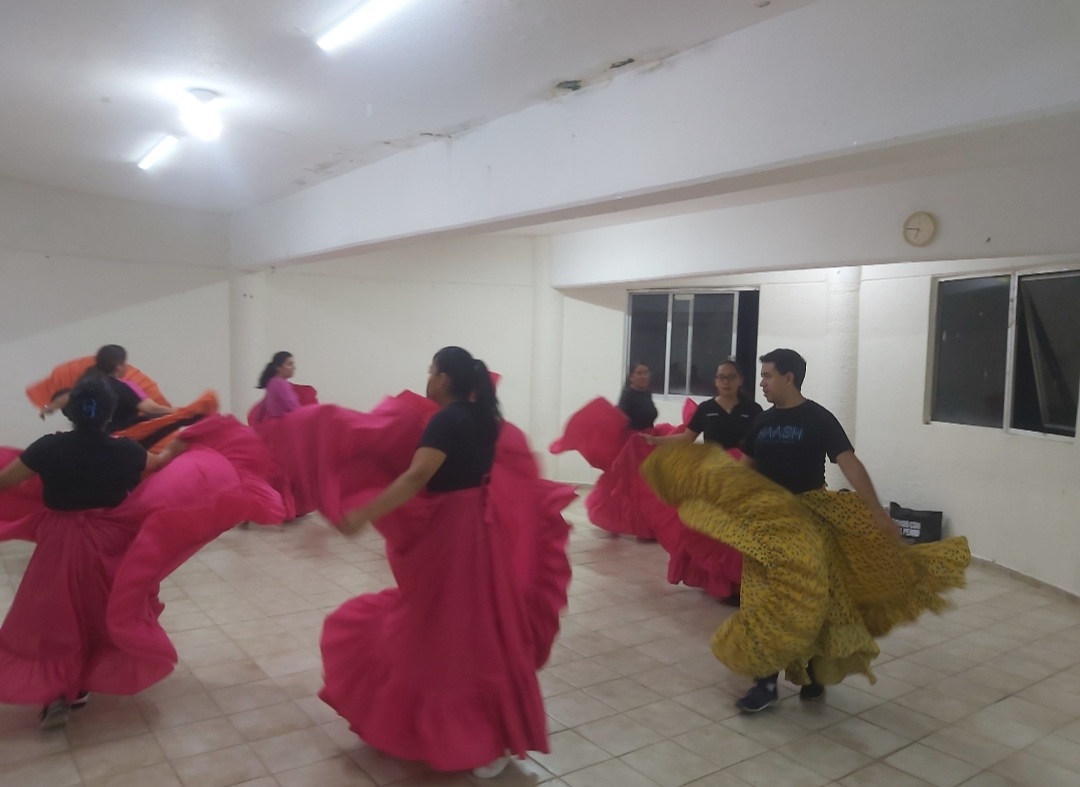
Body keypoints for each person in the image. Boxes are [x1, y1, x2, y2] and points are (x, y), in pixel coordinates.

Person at [639, 348, 970, 716]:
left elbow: (850, 463)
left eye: (767, 376)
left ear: (789, 377)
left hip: (809, 524)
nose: (761, 383)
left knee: (809, 602)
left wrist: (877, 512)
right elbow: (744, 472)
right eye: (762, 376)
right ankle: (764, 682)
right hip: (767, 529)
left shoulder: (819, 419)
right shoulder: (761, 423)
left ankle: (812, 672)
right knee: (763, 602)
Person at [320, 347, 572, 778]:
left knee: (445, 625)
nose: (427, 379)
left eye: (431, 372)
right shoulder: (485, 419)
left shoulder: (447, 420)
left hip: (454, 532)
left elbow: (418, 476)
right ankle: (493, 732)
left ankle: (475, 736)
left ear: (444, 378)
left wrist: (365, 513)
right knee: (478, 625)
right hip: (479, 526)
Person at [0, 377, 183, 728]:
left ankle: (59, 688)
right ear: (111, 414)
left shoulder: (47, 448)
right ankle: (86, 679)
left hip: (60, 541)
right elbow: (158, 464)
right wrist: (183, 443)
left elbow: (4, 481)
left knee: (59, 614)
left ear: (69, 411)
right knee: (103, 612)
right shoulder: (126, 451)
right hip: (109, 543)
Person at [644, 360, 762, 601]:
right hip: (713, 478)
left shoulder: (754, 410)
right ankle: (720, 584)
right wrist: (655, 442)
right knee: (710, 530)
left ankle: (740, 585)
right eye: (721, 377)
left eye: (731, 377)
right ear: (715, 381)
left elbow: (761, 445)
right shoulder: (706, 408)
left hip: (743, 476)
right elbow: (686, 438)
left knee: (738, 531)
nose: (726, 382)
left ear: (740, 380)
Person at [255, 351, 302, 418]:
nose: (293, 368)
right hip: (282, 423)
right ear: (278, 367)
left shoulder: (272, 382)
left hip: (274, 423)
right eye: (289, 364)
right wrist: (302, 416)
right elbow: (291, 404)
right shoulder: (280, 383)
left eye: (293, 365)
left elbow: (263, 406)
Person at [618, 361, 658, 429]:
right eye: (639, 373)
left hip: (649, 435)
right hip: (633, 437)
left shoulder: (647, 393)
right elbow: (620, 422)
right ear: (631, 377)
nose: (644, 376)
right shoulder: (627, 395)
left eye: (646, 373)